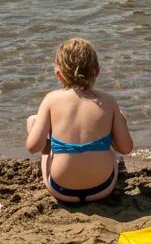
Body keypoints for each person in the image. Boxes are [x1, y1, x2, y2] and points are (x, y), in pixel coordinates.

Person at [25, 38, 134, 204]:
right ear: (97, 72)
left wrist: (48, 146)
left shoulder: (51, 99)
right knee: (118, 120)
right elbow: (126, 149)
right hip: (102, 188)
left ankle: (55, 150)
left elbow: (32, 147)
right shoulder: (109, 101)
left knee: (33, 120)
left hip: (62, 190)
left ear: (59, 73)